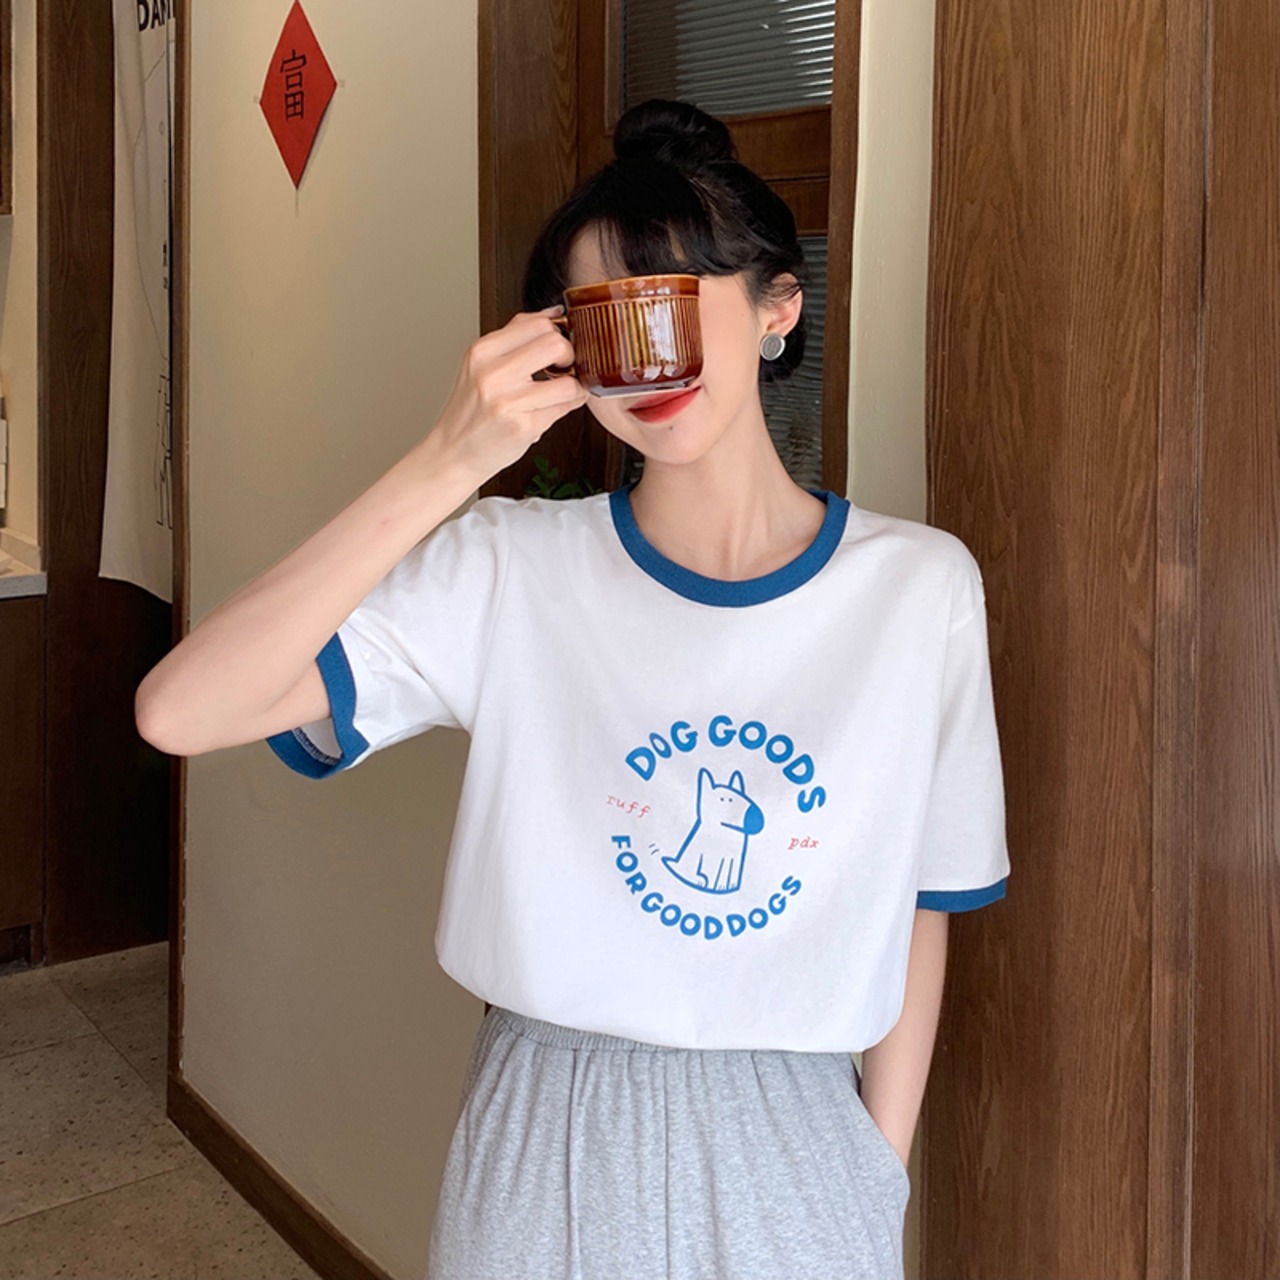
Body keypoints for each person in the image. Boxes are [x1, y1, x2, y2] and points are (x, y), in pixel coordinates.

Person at [135, 98, 1010, 1280]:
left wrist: (875, 1169)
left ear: (775, 305)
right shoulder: (509, 566)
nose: (644, 354)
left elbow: (923, 894)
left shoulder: (918, 588)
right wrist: (447, 459)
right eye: (600, 318)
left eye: (671, 297)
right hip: (545, 1121)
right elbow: (180, 709)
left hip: (799, 1135)